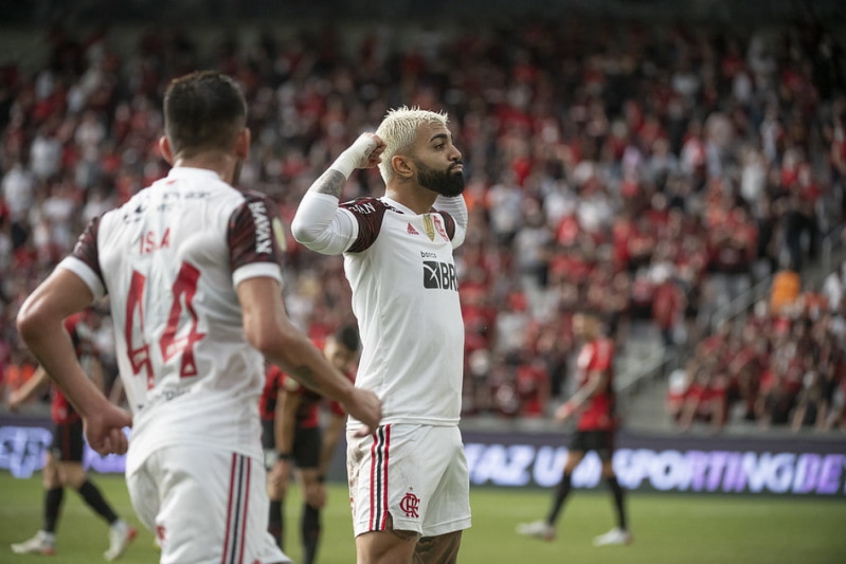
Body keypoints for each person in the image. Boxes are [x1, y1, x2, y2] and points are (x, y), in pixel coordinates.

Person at [16, 70, 381, 564]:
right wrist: (349, 394)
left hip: (149, 451)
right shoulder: (243, 210)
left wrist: (94, 408)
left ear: (167, 147)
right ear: (243, 142)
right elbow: (267, 331)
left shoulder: (111, 224)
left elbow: (35, 317)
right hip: (212, 446)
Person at [291, 106, 471, 564]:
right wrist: (355, 154)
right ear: (402, 165)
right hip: (396, 422)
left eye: (451, 142)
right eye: (439, 145)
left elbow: (459, 214)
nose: (455, 152)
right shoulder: (375, 218)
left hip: (444, 425)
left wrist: (442, 156)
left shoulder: (439, 227)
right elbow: (307, 226)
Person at [9, 312, 137, 561]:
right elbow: (95, 367)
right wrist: (98, 404)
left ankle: (118, 525)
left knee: (71, 474)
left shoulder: (65, 323)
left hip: (68, 408)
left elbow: (51, 366)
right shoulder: (83, 327)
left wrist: (21, 396)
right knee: (52, 470)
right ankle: (47, 536)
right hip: (78, 407)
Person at [516, 309, 632, 546]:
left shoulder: (602, 346)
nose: (577, 329)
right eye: (576, 325)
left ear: (595, 323)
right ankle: (549, 525)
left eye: (582, 324)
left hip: (600, 420)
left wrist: (570, 406)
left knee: (608, 472)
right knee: (568, 468)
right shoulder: (587, 348)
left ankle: (622, 530)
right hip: (586, 420)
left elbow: (598, 384)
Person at [262, 324, 360, 563]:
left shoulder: (346, 379)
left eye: (347, 359)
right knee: (278, 485)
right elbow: (286, 410)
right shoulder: (304, 359)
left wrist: (320, 477)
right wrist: (283, 459)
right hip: (273, 419)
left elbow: (333, 432)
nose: (340, 363)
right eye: (338, 354)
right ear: (328, 343)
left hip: (306, 421)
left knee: (314, 493)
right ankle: (274, 558)